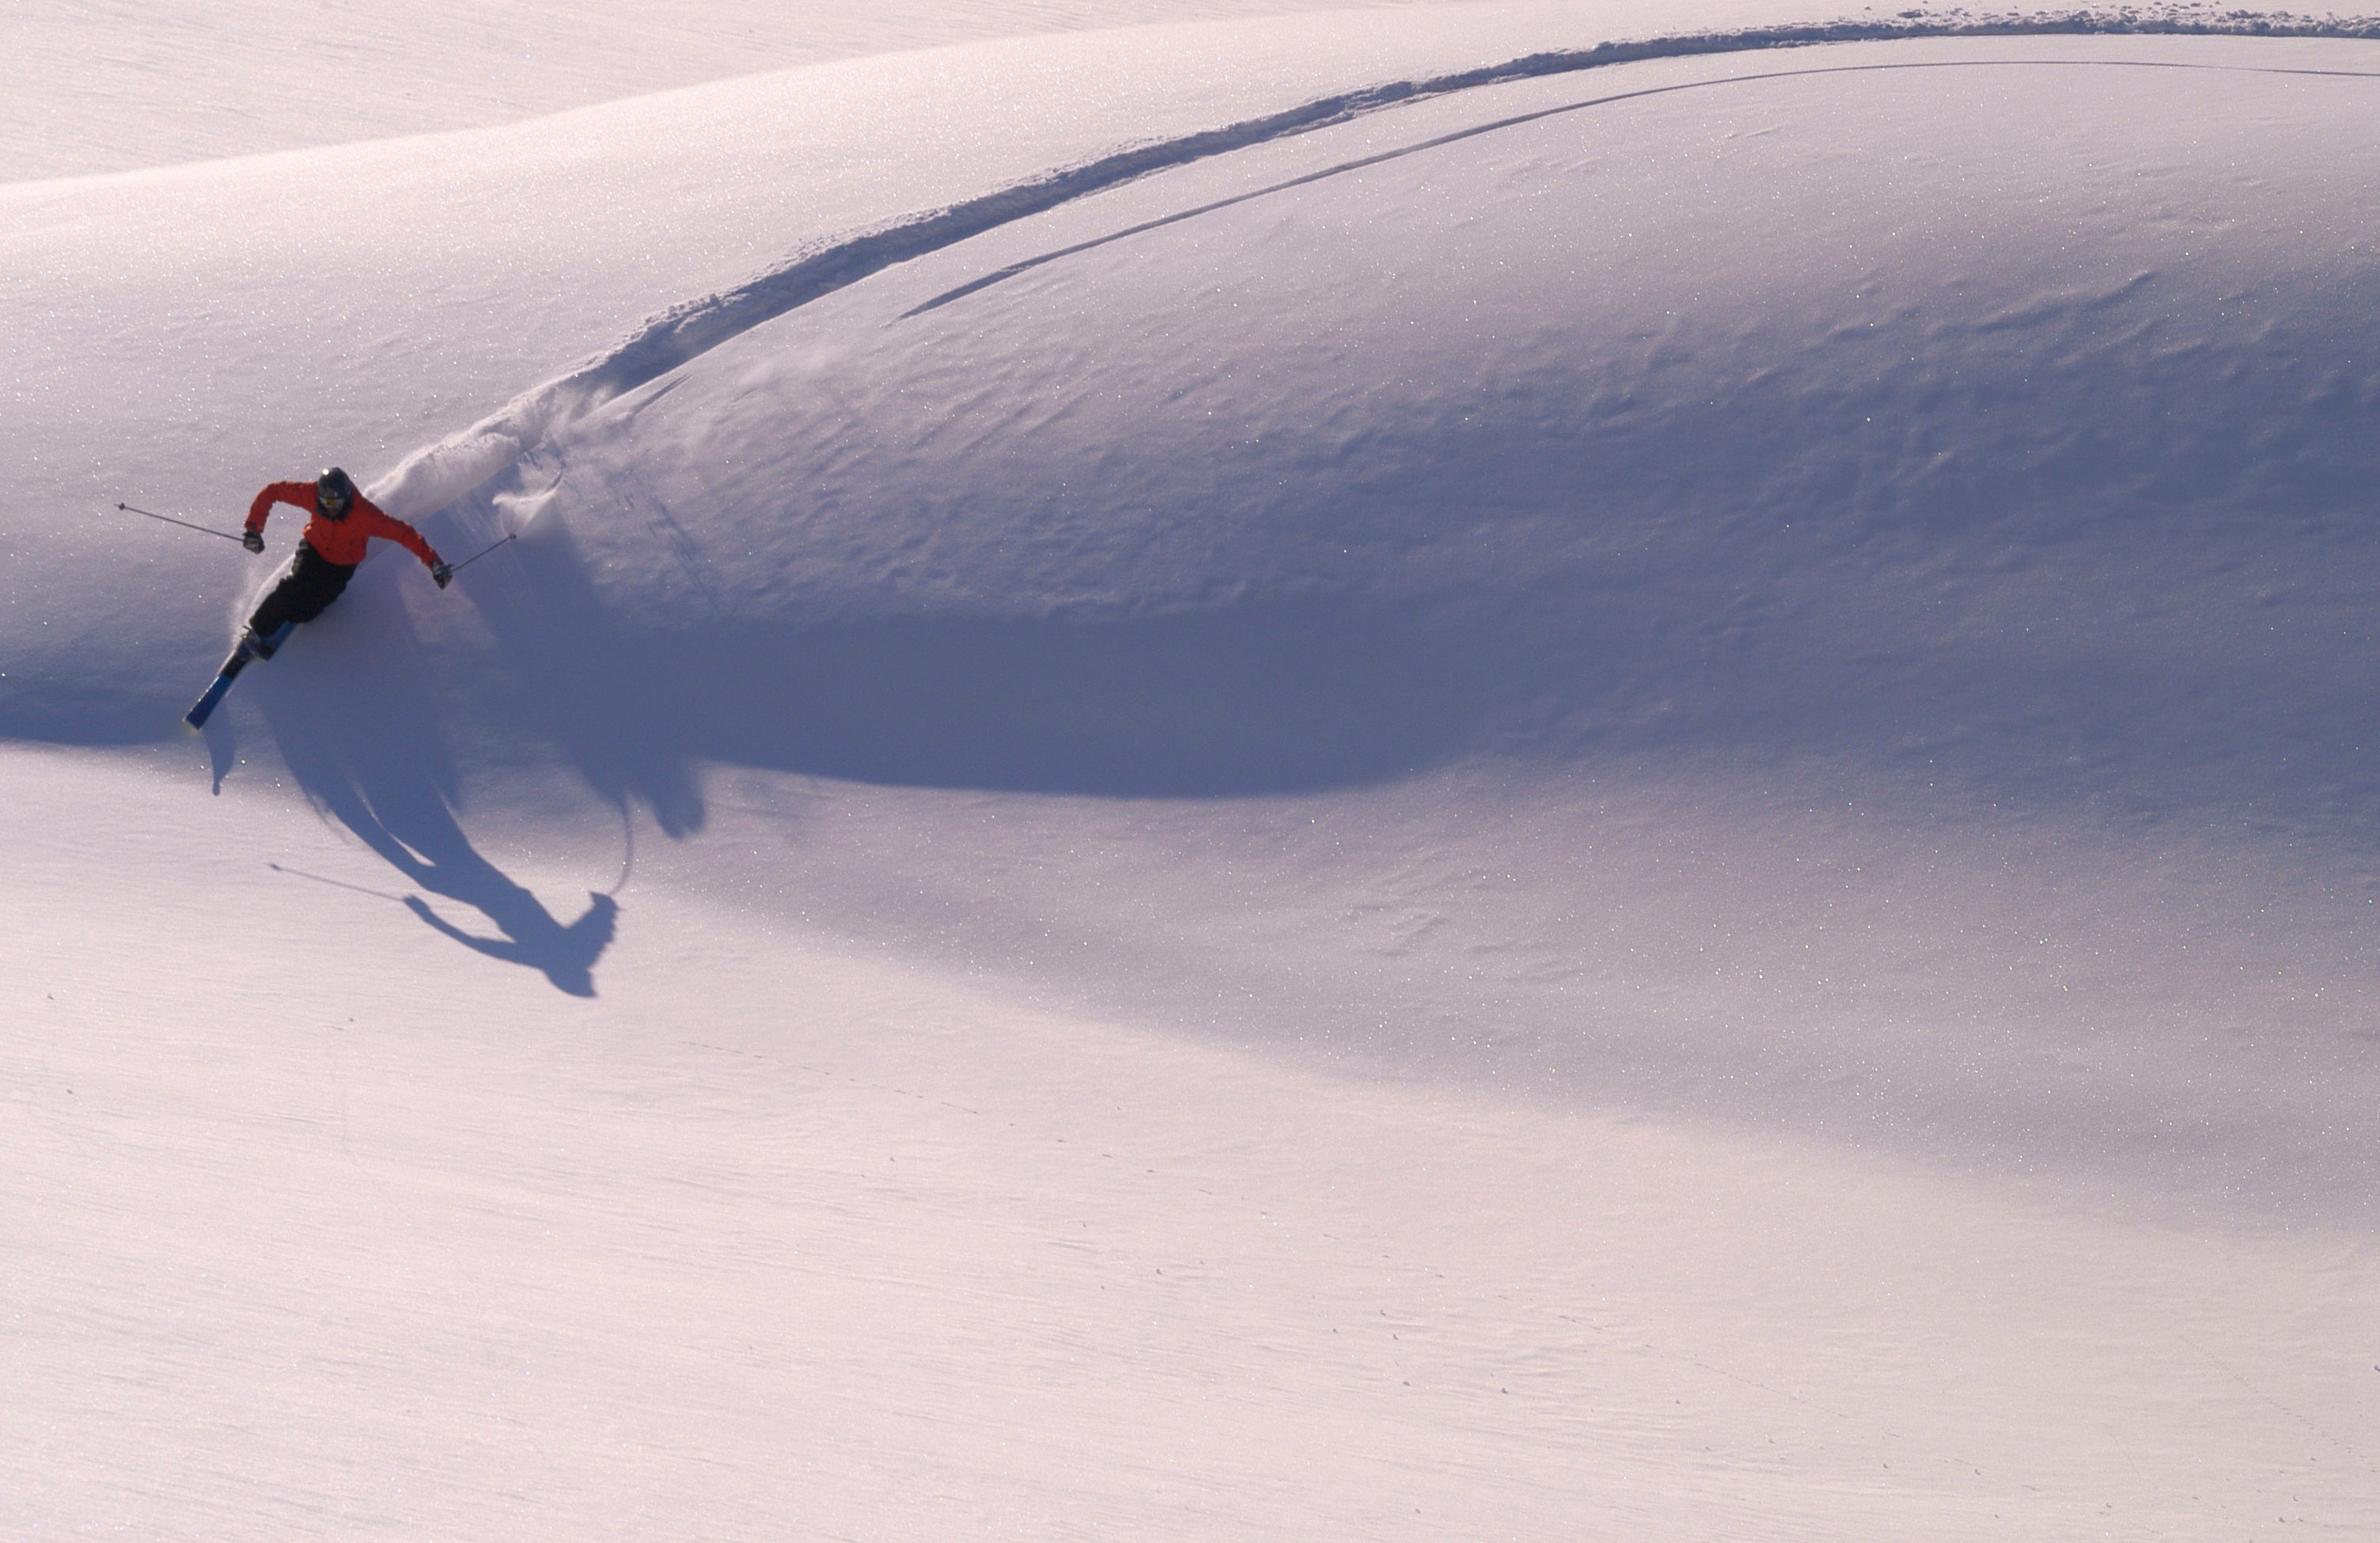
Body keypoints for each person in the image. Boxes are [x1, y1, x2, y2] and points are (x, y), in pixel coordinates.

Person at [233, 467, 451, 662]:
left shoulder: (366, 515)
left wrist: (434, 563)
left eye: (336, 503)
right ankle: (256, 633)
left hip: (342, 565)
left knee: (307, 612)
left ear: (346, 497)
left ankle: (296, 610)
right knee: (296, 587)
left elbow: (405, 534)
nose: (331, 508)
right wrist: (254, 529)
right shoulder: (310, 494)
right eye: (326, 502)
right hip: (314, 551)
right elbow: (272, 491)